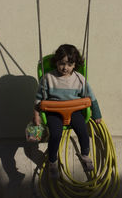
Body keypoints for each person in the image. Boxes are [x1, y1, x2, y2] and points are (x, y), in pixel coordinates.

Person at [33, 44, 102, 178]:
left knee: (83, 130)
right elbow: (38, 99)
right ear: (56, 63)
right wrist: (36, 115)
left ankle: (85, 155)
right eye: (61, 63)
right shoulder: (48, 78)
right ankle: (52, 161)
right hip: (54, 113)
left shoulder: (79, 79)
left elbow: (92, 98)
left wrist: (97, 114)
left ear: (75, 64)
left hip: (75, 111)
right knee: (56, 134)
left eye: (69, 64)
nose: (65, 68)